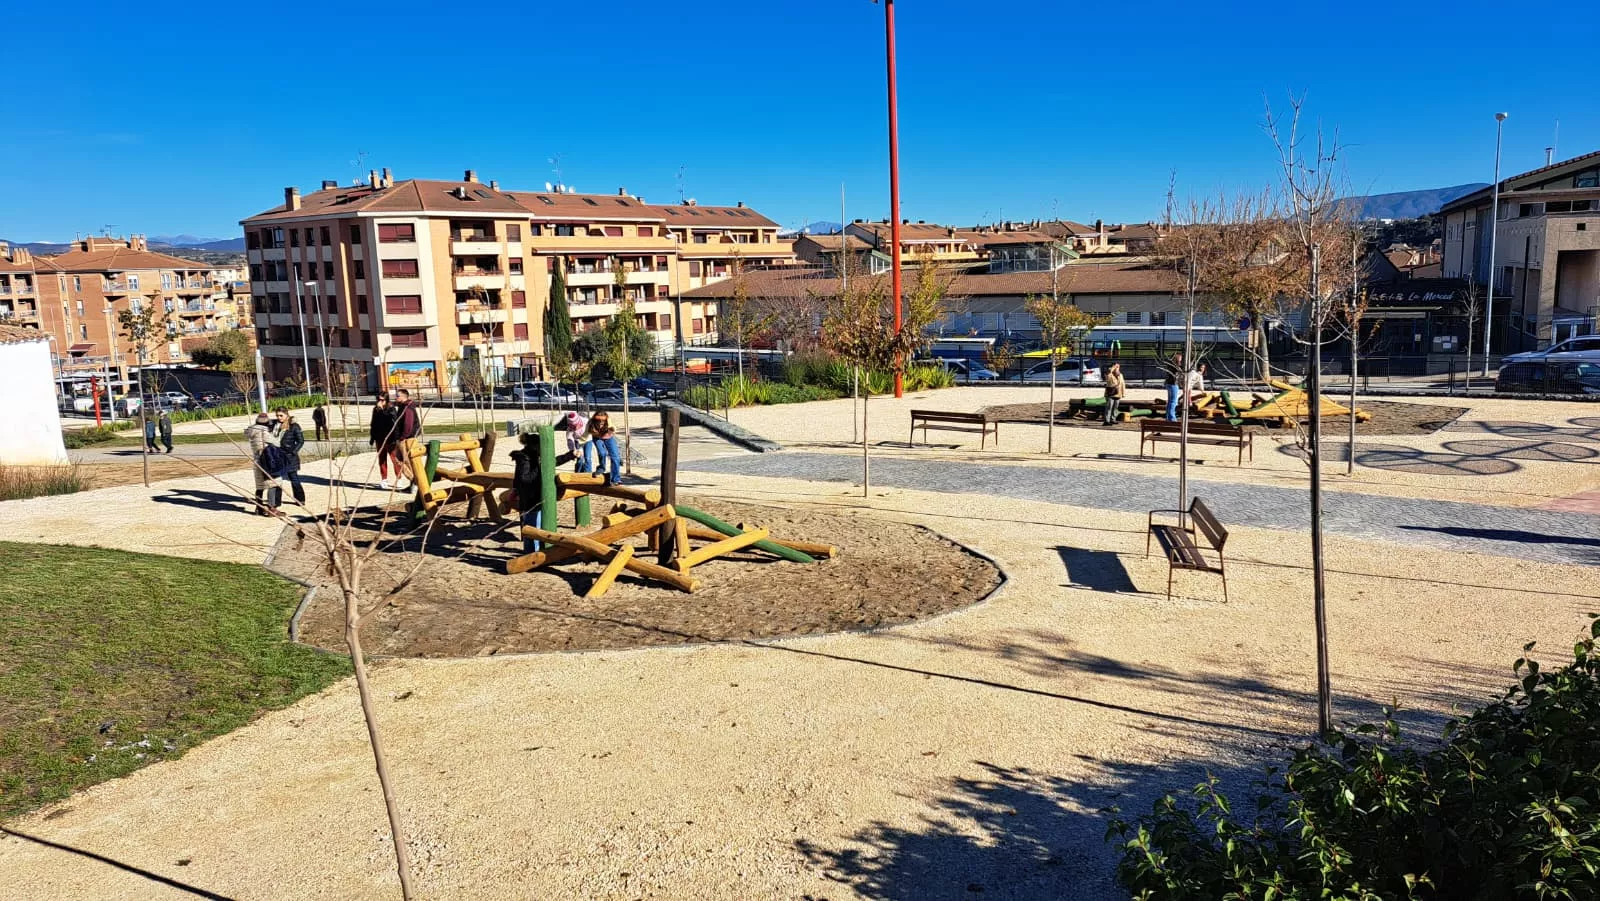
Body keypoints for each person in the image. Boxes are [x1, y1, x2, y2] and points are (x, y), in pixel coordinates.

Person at [509, 428, 575, 552]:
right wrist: (539, 468)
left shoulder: (534, 456)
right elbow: (524, 479)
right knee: (533, 529)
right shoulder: (524, 459)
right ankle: (531, 554)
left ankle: (536, 551)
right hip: (530, 499)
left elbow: (552, 462)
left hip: (538, 497)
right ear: (535, 446)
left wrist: (570, 455)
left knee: (538, 527)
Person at [263, 407, 307, 509]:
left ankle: (300, 499)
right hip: (277, 456)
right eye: (277, 415)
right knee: (276, 479)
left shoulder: (294, 426)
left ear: (286, 414)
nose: (279, 417)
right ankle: (276, 502)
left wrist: (293, 451)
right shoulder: (274, 424)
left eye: (281, 415)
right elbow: (263, 425)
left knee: (294, 478)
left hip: (290, 457)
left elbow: (301, 441)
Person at [369, 394, 401, 489]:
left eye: (382, 400)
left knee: (395, 459)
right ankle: (384, 479)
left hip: (390, 438)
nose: (379, 402)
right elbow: (373, 424)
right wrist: (372, 437)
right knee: (382, 459)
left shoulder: (391, 409)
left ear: (386, 400)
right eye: (378, 399)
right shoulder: (376, 409)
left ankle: (399, 479)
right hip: (379, 438)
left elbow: (391, 422)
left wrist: (396, 438)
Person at [244, 412, 274, 514]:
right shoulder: (263, 431)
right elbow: (274, 442)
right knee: (272, 484)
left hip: (257, 460)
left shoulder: (252, 430)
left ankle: (258, 507)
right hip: (266, 459)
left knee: (259, 486)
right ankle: (271, 508)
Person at [586, 410, 621, 485]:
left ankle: (615, 479)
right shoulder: (591, 422)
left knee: (615, 457)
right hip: (597, 438)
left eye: (603, 421)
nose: (601, 422)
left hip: (609, 437)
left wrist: (611, 428)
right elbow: (588, 432)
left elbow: (614, 429)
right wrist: (593, 432)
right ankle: (601, 468)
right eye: (599, 421)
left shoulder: (608, 421)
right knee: (602, 453)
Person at [1163, 353, 1184, 421]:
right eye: (1180, 358)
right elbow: (1180, 371)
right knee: (1174, 401)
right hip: (1173, 384)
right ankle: (1172, 418)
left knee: (1170, 401)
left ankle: (1168, 417)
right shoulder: (1175, 366)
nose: (1181, 359)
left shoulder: (1169, 365)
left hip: (1169, 383)